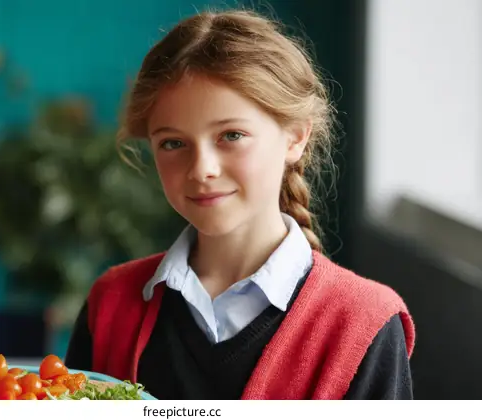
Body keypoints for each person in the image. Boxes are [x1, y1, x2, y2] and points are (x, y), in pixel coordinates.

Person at [64, 9, 415, 400]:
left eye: (231, 134)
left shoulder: (363, 322)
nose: (202, 169)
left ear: (295, 137)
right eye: (173, 143)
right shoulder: (111, 303)